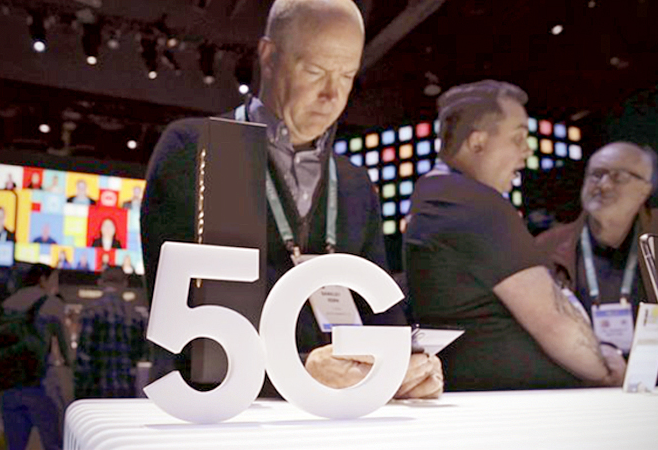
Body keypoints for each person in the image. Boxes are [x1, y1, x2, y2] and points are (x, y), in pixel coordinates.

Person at [142, 0, 442, 398]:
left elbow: (383, 316)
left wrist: (406, 364)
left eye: (348, 75)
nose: (332, 94)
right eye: (315, 71)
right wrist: (300, 371)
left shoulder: (353, 182)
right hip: (227, 415)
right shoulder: (199, 150)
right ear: (268, 56)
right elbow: (184, 335)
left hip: (342, 414)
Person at [404, 80, 626, 391]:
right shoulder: (472, 202)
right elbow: (552, 321)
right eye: (518, 138)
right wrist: (605, 369)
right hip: (520, 406)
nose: (527, 151)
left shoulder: (437, 196)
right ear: (477, 142)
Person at [536, 142, 658, 382]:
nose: (603, 185)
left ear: (646, 189)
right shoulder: (547, 247)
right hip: (582, 391)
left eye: (619, 176)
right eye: (596, 175)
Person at [0, 264, 69, 450]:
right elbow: (65, 349)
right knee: (53, 444)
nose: (56, 285)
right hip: (41, 385)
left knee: (14, 446)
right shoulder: (52, 304)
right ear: (42, 279)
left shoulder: (8, 303)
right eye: (54, 279)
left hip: (10, 386)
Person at [75, 267, 147, 398]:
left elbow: (83, 356)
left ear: (101, 282)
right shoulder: (135, 315)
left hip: (96, 390)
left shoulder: (90, 310)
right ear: (125, 284)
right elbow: (140, 353)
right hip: (126, 389)